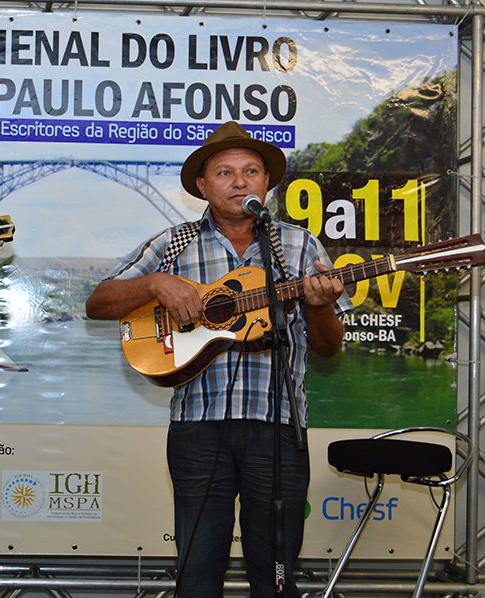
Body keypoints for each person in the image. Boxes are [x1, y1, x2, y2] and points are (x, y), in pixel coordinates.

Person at [85, 121, 352, 598]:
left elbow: (330, 347)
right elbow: (98, 302)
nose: (240, 181)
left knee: (274, 576)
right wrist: (153, 285)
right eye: (225, 172)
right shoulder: (174, 243)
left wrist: (320, 304)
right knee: (197, 572)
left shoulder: (299, 246)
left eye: (251, 171)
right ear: (203, 187)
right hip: (198, 426)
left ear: (266, 184)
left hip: (279, 425)